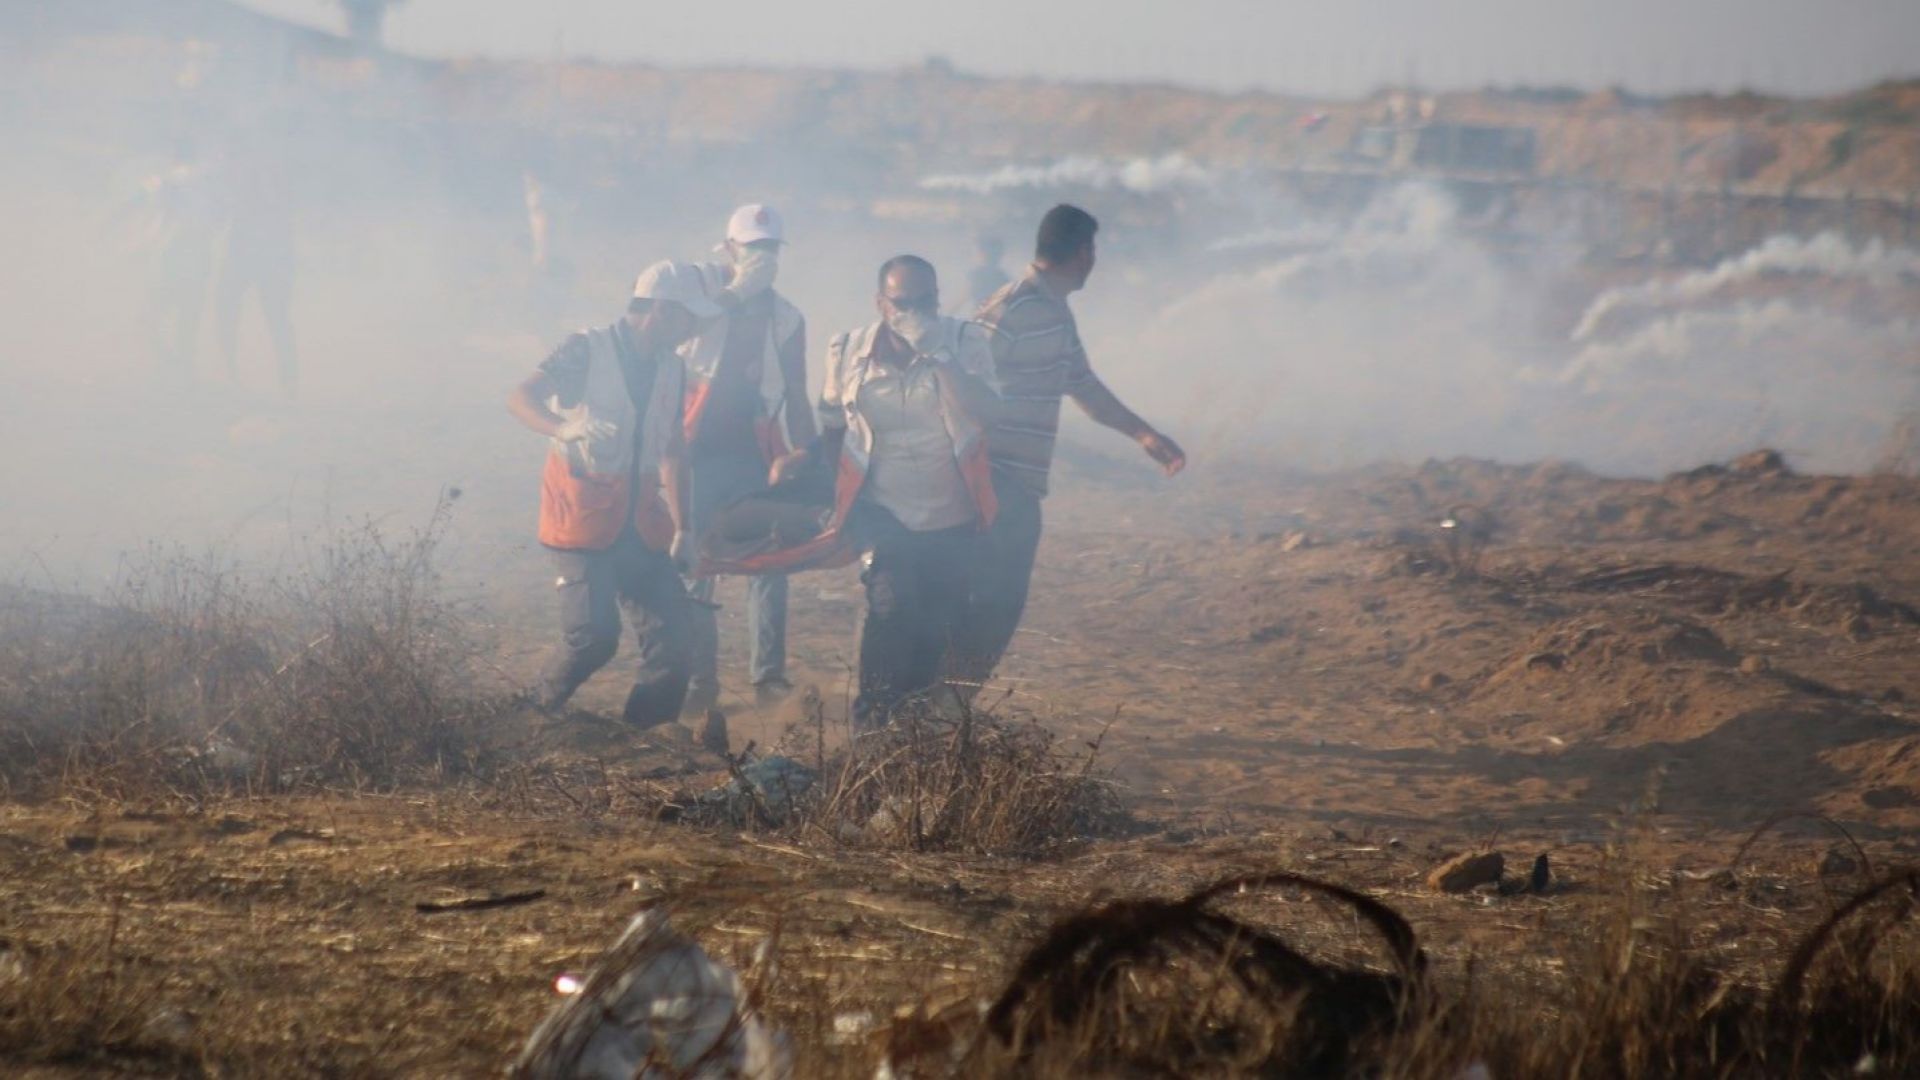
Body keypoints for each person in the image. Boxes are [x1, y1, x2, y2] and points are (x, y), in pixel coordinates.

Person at [952, 204, 1186, 687]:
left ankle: (945, 712)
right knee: (987, 602)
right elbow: (957, 381)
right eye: (1093, 252)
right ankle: (939, 710)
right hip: (993, 482)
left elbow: (1082, 385)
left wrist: (1143, 433)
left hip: (1017, 484)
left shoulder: (1055, 313)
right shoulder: (1010, 307)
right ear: (1083, 254)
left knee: (999, 603)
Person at [763, 255, 1000, 730]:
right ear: (880, 304)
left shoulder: (963, 341)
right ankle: (871, 727)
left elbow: (987, 412)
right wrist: (815, 468)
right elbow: (833, 420)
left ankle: (910, 730)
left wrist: (942, 358)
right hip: (885, 510)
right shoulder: (849, 350)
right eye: (903, 303)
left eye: (926, 301)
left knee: (937, 624)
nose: (915, 313)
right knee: (890, 607)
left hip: (952, 513)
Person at [506, 260, 715, 727]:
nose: (693, 328)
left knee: (676, 639)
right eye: (688, 317)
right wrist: (564, 428)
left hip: (640, 524)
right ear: (661, 310)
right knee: (594, 638)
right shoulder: (585, 349)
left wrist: (684, 528)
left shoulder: (673, 367)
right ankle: (528, 717)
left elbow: (674, 449)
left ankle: (643, 735)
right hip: (579, 519)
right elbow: (520, 398)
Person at [679, 204, 815, 713]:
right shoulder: (703, 299)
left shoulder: (786, 317)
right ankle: (698, 682)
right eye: (752, 247)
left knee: (769, 557)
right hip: (693, 452)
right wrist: (731, 297)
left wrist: (804, 449)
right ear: (729, 249)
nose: (761, 257)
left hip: (753, 453)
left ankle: (768, 679)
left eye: (769, 249)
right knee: (694, 559)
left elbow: (797, 392)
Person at [964, 233, 1010, 314]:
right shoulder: (1004, 278)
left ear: (982, 253)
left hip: (980, 319)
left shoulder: (976, 275)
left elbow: (960, 299)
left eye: (975, 251)